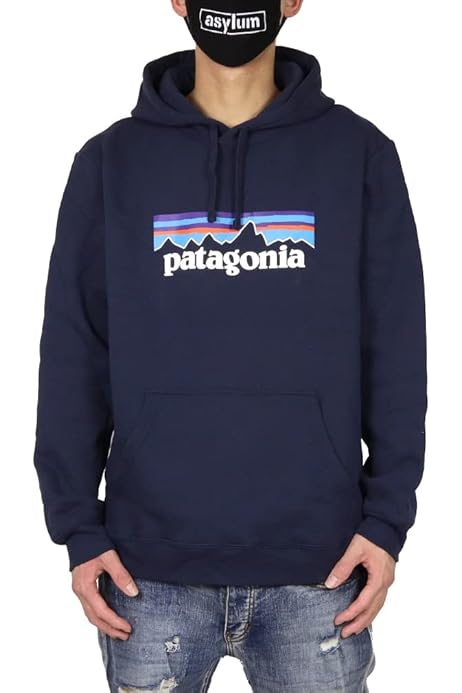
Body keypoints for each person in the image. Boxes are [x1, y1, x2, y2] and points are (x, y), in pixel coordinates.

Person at [33, 0, 427, 691]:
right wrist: (77, 528)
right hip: (147, 571)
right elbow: (74, 352)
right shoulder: (109, 163)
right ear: (178, 2)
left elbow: (395, 347)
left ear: (293, 1)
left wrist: (387, 520)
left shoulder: (360, 155)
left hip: (321, 567)